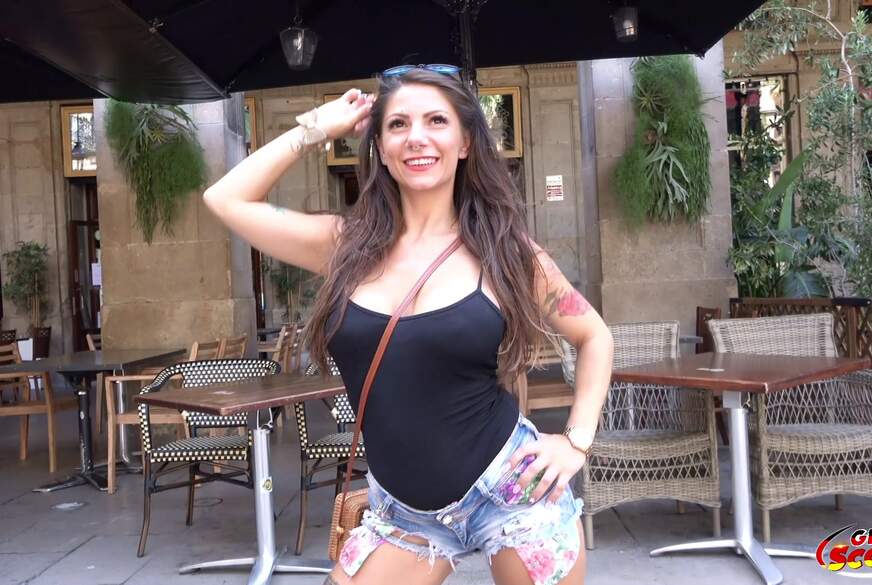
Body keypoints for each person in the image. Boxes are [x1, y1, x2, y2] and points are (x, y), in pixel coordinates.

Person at [203, 65, 614, 585]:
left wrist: (575, 442)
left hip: (512, 491)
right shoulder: (343, 245)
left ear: (465, 142)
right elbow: (225, 199)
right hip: (403, 515)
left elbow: (593, 335)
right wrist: (317, 127)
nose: (416, 137)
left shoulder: (506, 252)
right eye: (398, 124)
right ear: (380, 146)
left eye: (436, 120)